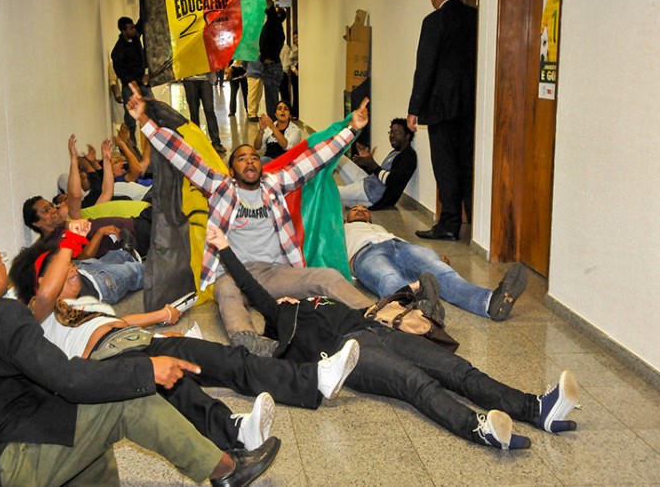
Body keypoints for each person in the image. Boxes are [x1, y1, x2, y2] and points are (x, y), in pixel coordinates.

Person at [0, 234, 280, 487]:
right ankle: (227, 472)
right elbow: (66, 378)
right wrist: (146, 368)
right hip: (4, 469)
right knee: (127, 403)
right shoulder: (4, 315)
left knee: (84, 428)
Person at [207, 224, 581, 451]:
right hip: (351, 352)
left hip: (375, 329)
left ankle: (537, 409)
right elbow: (252, 288)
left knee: (458, 370)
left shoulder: (318, 299)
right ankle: (479, 430)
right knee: (416, 384)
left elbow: (357, 302)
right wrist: (224, 248)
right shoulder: (283, 316)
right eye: (282, 297)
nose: (289, 295)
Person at [8, 225, 360, 451]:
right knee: (177, 388)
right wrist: (68, 241)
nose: (72, 268)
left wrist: (160, 323)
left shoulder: (86, 302)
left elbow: (121, 322)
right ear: (39, 282)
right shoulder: (34, 314)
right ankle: (235, 432)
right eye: (61, 268)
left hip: (139, 342)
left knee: (226, 359)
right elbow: (47, 297)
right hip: (107, 363)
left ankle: (314, 379)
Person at [127, 82, 374, 356]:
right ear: (232, 170)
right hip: (233, 273)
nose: (250, 162)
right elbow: (182, 155)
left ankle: (376, 315)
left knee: (327, 276)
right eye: (242, 158)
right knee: (228, 296)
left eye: (254, 157)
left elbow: (314, 159)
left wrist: (352, 129)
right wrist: (144, 120)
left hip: (274, 272)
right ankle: (250, 343)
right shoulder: (221, 188)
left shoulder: (277, 184)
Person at [344, 204, 528, 320]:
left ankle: (489, 303)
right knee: (389, 278)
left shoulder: (380, 227)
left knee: (440, 271)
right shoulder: (340, 228)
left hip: (401, 246)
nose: (361, 211)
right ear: (347, 218)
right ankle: (418, 315)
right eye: (355, 210)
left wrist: (435, 259)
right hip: (366, 253)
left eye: (365, 210)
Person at [407, 0, 478, 241]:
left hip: (440, 108)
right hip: (470, 105)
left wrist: (415, 108)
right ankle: (475, 221)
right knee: (468, 163)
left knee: (446, 166)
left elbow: (424, 68)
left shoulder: (434, 21)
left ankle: (449, 224)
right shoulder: (475, 17)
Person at [23, 195, 151, 259]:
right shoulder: (55, 243)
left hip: (136, 222)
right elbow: (81, 260)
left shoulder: (63, 226)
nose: (53, 210)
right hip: (136, 236)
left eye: (51, 206)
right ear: (36, 223)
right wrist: (100, 233)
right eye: (46, 211)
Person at [335, 118, 418, 209]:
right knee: (338, 157)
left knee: (329, 191)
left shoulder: (408, 157)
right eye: (391, 132)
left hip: (372, 194)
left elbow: (392, 182)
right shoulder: (395, 152)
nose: (392, 136)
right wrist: (366, 163)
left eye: (397, 132)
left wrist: (371, 163)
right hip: (367, 182)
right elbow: (379, 174)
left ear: (407, 136)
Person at [111, 16, 152, 146]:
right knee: (131, 120)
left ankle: (153, 145)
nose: (134, 30)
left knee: (152, 110)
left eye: (134, 27)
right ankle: (132, 148)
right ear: (124, 31)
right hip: (129, 87)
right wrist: (140, 79)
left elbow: (142, 21)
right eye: (131, 28)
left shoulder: (135, 38)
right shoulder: (117, 51)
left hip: (143, 85)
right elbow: (122, 74)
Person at [182, 72, 226, 155]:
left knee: (209, 110)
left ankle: (216, 142)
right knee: (194, 112)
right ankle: (197, 142)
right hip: (189, 79)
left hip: (206, 79)